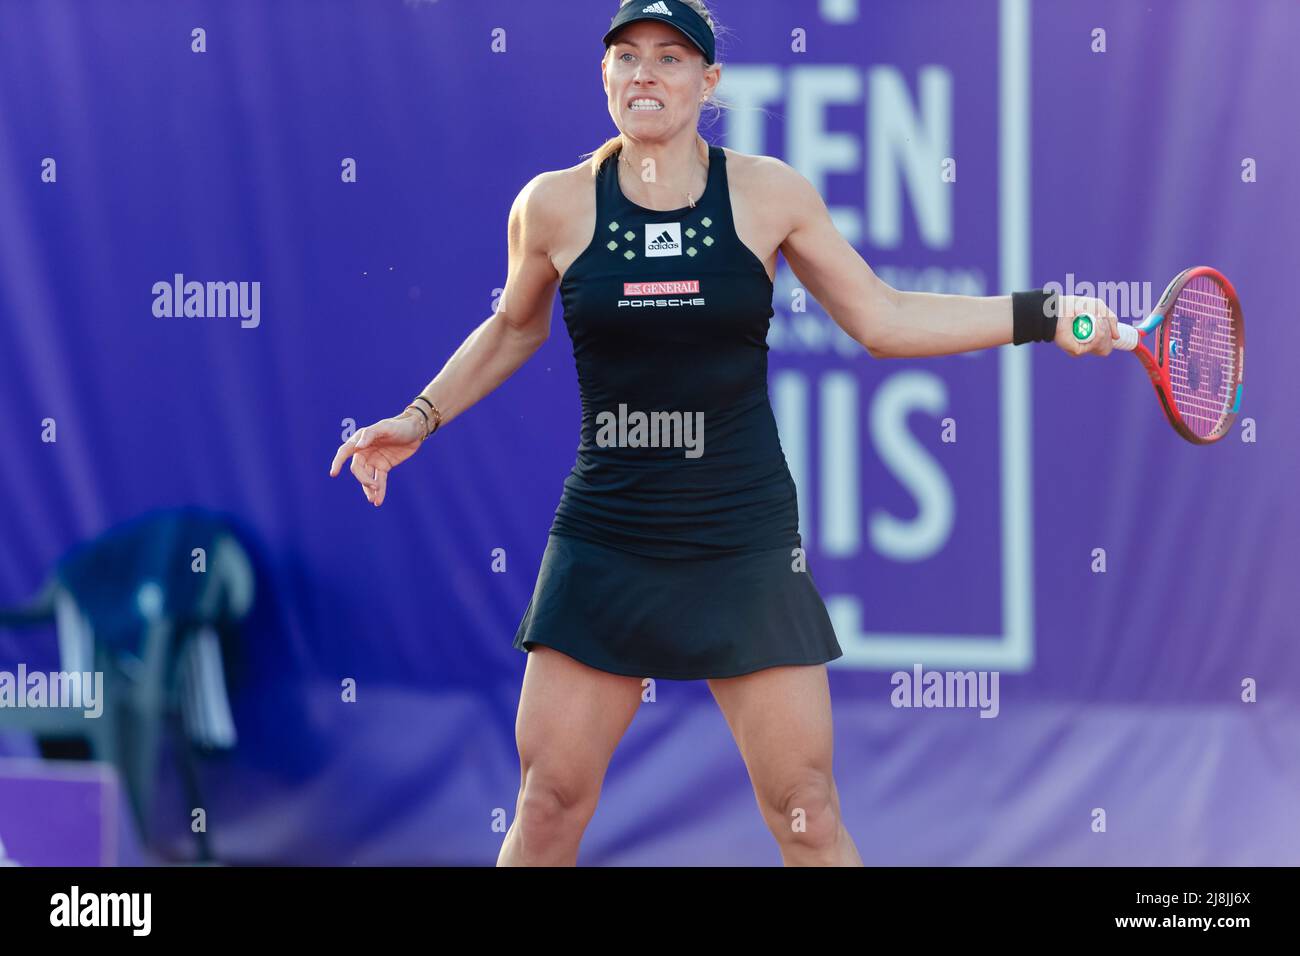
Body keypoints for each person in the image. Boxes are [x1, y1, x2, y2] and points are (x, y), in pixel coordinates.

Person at [328, 0, 1120, 866]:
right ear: (604, 77)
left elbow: (884, 318)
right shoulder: (551, 207)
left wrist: (1044, 314)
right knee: (548, 803)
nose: (645, 74)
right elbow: (514, 329)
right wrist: (418, 418)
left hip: (742, 538)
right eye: (627, 57)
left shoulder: (770, 193)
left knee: (806, 810)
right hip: (607, 535)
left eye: (671, 59)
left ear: (709, 82)